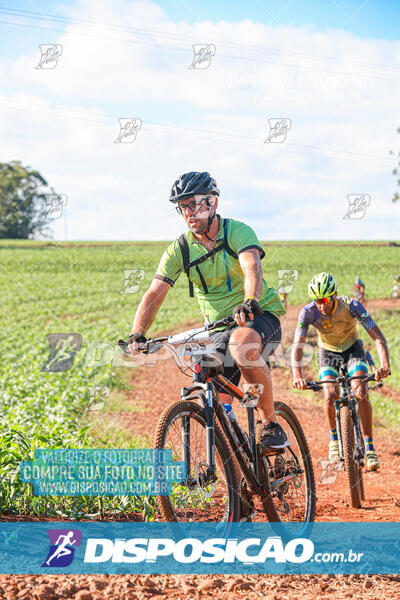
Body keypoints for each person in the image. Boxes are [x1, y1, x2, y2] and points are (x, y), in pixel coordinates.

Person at [125, 171, 287, 454]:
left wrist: (250, 300)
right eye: (183, 206)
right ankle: (241, 484)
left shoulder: (237, 231)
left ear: (212, 203)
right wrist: (137, 333)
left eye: (194, 204)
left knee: (241, 345)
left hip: (257, 317)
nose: (188, 212)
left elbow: (252, 266)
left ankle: (271, 423)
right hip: (217, 330)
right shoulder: (180, 249)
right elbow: (154, 292)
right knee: (217, 408)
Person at [291, 272, 391, 471]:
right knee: (330, 393)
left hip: (352, 349)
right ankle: (334, 438)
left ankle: (370, 447)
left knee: (361, 391)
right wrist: (297, 375)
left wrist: (384, 365)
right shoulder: (308, 312)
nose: (322, 305)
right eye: (318, 300)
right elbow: (297, 346)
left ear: (335, 294)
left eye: (326, 299)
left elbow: (379, 338)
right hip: (327, 352)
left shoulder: (352, 306)